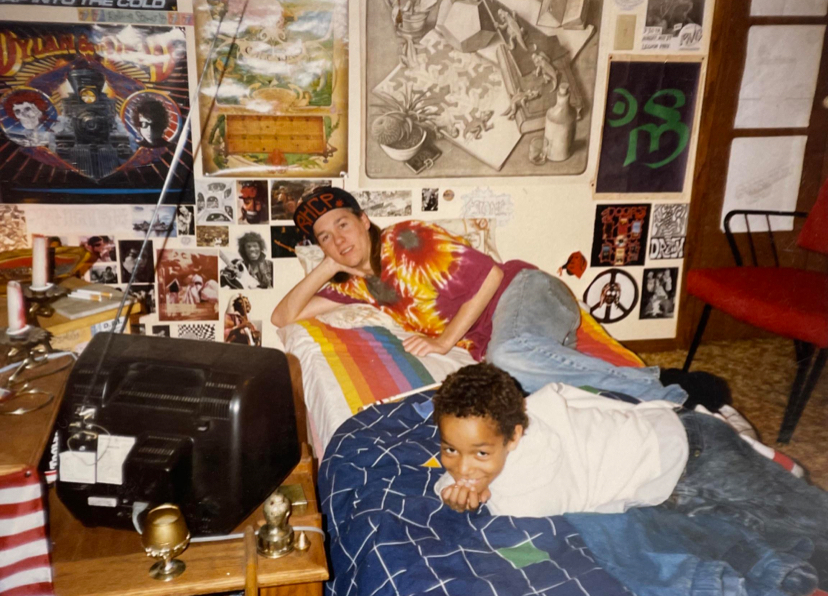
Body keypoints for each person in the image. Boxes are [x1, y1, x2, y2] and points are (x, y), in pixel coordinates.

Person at [271, 186, 686, 404]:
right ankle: (625, 393)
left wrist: (444, 341)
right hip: (510, 334)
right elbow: (282, 318)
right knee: (517, 392)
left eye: (343, 225)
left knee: (509, 357)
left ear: (364, 220)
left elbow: (490, 274)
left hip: (524, 291)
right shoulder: (356, 286)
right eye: (325, 236)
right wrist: (327, 264)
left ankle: (662, 388)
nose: (338, 239)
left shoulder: (405, 238)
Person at [432, 363, 828, 587]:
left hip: (696, 452)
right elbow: (573, 396)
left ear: (515, 436)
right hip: (660, 486)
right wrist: (454, 485)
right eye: (450, 449)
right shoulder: (536, 404)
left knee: (813, 522)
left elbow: (503, 500)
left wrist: (464, 492)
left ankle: (747, 445)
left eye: (481, 453)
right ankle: (752, 452)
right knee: (770, 542)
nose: (463, 467)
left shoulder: (529, 493)